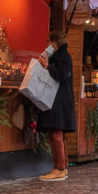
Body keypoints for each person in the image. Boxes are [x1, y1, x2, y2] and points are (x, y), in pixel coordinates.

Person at [37, 30, 75, 181]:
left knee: (56, 134)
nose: (48, 44)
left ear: (55, 42)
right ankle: (62, 167)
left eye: (49, 41)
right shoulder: (60, 56)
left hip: (58, 101)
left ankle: (59, 168)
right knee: (57, 134)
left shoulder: (64, 57)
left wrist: (47, 67)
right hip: (58, 101)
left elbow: (61, 75)